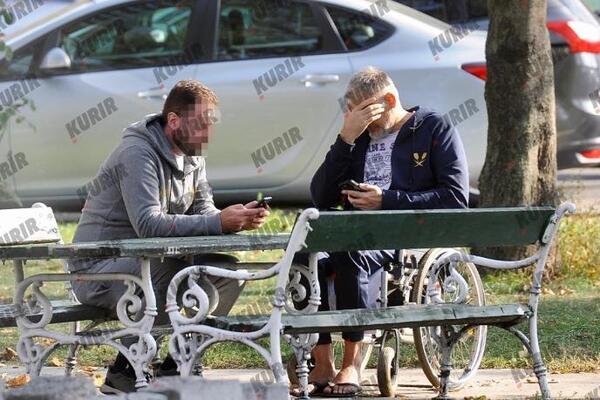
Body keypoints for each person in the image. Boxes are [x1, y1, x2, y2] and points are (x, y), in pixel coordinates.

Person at [69, 80, 269, 394]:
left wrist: (236, 218)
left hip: (148, 263)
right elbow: (148, 225)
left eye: (211, 125)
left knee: (227, 274)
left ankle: (179, 365)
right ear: (173, 121)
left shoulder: (193, 154)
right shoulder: (136, 153)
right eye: (201, 124)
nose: (208, 134)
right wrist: (218, 221)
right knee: (169, 274)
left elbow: (203, 208)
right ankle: (124, 369)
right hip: (97, 270)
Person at [298, 66, 469, 397]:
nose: (362, 123)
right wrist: (345, 138)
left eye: (365, 114)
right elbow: (320, 196)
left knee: (351, 251)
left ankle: (352, 362)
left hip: (406, 238)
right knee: (305, 254)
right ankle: (322, 362)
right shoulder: (357, 137)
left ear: (388, 100)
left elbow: (454, 197)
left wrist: (387, 200)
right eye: (353, 115)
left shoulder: (433, 127)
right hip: (356, 232)